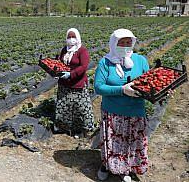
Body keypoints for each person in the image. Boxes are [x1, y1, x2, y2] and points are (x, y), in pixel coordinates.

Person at [94, 29, 149, 182]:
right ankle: (106, 165)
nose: (125, 45)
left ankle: (127, 169)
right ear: (113, 43)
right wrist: (121, 90)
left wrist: (163, 90)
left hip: (136, 111)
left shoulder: (140, 60)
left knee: (131, 142)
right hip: (113, 112)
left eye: (128, 42)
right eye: (121, 42)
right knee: (112, 142)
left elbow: (150, 82)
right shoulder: (105, 62)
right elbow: (98, 87)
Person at [55, 28, 94, 138]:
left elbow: (83, 67)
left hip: (78, 84)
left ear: (78, 38)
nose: (71, 39)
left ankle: (82, 129)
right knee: (64, 105)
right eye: (69, 37)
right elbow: (60, 62)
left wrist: (71, 74)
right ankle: (65, 127)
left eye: (73, 37)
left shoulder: (82, 51)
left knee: (80, 107)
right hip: (64, 84)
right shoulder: (64, 50)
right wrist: (56, 71)